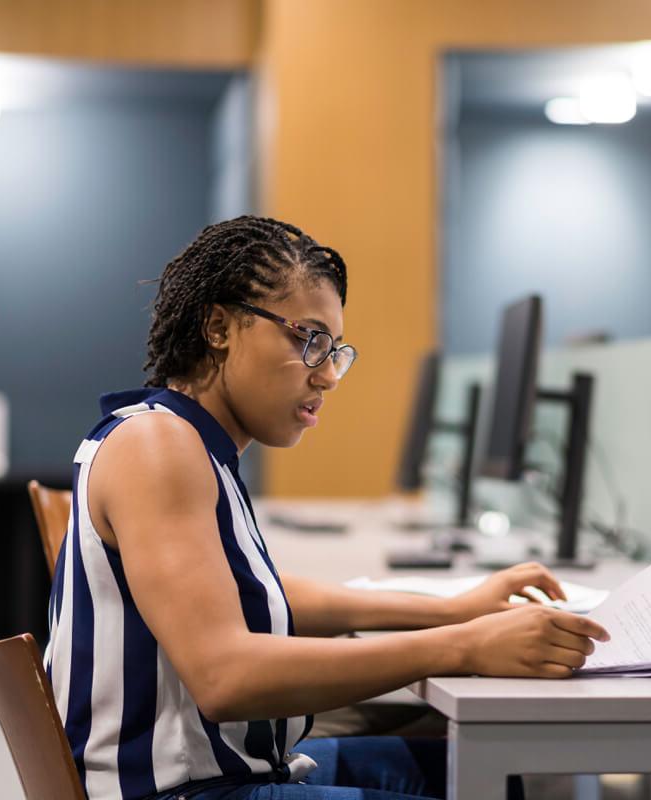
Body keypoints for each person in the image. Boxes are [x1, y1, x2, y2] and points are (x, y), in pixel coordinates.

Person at [44, 216, 609, 800]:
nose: (331, 374)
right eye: (308, 339)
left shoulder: (180, 438)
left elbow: (255, 594)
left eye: (335, 349)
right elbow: (224, 676)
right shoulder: (158, 448)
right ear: (218, 326)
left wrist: (454, 611)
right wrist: (465, 645)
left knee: (524, 771)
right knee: (534, 779)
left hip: (226, 770)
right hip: (186, 790)